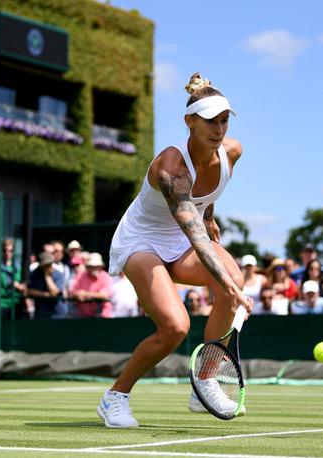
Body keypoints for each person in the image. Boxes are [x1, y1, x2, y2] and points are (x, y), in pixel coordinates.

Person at [98, 73, 252, 428]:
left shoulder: (233, 152)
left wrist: (210, 215)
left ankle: (204, 382)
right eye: (211, 121)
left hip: (183, 238)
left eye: (224, 120)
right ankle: (115, 398)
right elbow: (194, 234)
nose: (219, 128)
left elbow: (206, 198)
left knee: (234, 279)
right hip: (143, 242)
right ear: (189, 122)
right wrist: (229, 288)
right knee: (175, 327)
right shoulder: (170, 167)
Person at [70, 252, 114, 318]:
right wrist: (77, 295)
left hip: (102, 317)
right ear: (87, 266)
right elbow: (73, 292)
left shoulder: (105, 277)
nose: (93, 268)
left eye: (96, 266)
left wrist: (84, 294)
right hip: (82, 316)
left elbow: (105, 295)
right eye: (91, 266)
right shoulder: (81, 275)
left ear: (100, 267)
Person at [26, 251, 66, 320]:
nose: (47, 267)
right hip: (40, 313)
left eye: (49, 264)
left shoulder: (59, 274)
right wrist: (45, 294)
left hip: (56, 313)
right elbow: (29, 291)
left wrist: (47, 276)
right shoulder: (35, 273)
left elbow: (54, 293)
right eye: (45, 265)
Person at [0, 238, 26, 320]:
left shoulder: (19, 267)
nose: (7, 253)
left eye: (10, 251)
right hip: (1, 304)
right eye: (5, 250)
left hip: (15, 304)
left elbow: (25, 287)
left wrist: (18, 285)